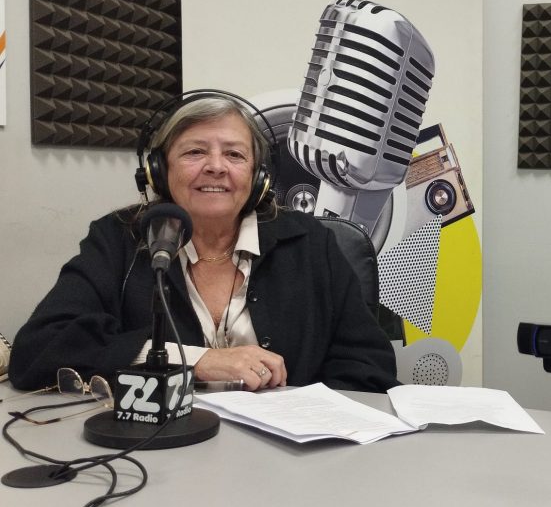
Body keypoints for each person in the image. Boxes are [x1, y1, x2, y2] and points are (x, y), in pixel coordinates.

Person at [9, 95, 399, 393]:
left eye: (234, 154)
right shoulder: (120, 239)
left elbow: (368, 367)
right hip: (162, 450)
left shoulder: (312, 244)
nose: (216, 166)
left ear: (258, 177)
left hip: (290, 459)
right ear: (159, 171)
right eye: (195, 152)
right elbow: (39, 349)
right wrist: (194, 361)